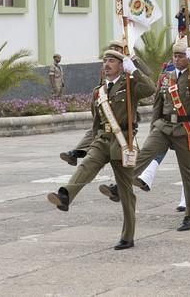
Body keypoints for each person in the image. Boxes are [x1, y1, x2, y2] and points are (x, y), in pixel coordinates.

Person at [99, 43, 190, 232]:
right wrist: (154, 126)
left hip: (184, 128)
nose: (176, 59)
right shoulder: (167, 77)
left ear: (187, 57)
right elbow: (158, 105)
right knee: (143, 155)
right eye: (175, 56)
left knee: (189, 173)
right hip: (163, 127)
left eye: (181, 56)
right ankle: (119, 187)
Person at [46, 50, 156, 250]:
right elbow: (95, 125)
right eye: (104, 61)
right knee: (86, 165)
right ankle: (65, 196)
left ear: (121, 66)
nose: (106, 64)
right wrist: (81, 148)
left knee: (125, 191)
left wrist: (135, 72)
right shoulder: (99, 92)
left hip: (123, 141)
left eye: (111, 61)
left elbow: (150, 89)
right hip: (102, 139)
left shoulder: (130, 85)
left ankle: (128, 236)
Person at [59, 40, 152, 166]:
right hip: (105, 99)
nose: (114, 51)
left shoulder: (128, 62)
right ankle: (77, 152)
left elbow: (147, 74)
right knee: (98, 127)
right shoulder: (109, 64)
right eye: (112, 48)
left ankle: (79, 153)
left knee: (124, 142)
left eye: (118, 49)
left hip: (124, 102)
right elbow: (103, 81)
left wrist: (134, 61)